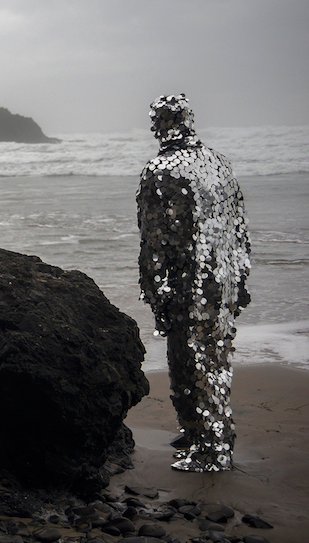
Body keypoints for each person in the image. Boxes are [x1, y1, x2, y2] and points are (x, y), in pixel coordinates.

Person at [136, 94, 251, 472]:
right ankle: (201, 432)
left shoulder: (161, 169)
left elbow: (154, 240)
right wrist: (242, 275)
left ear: (157, 125)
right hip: (226, 277)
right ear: (190, 119)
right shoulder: (218, 162)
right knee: (215, 358)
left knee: (190, 362)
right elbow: (239, 224)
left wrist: (156, 292)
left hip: (190, 281)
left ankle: (211, 449)